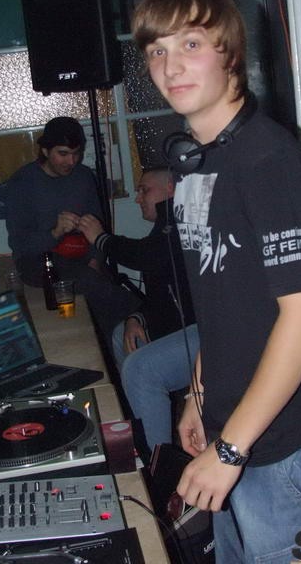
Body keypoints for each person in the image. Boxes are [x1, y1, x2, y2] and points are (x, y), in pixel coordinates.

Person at [132, 0, 301, 564]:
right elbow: (224, 304)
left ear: (229, 53)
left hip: (288, 444)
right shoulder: (198, 166)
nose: (170, 66)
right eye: (157, 50)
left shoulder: (270, 164)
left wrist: (229, 450)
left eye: (191, 44)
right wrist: (199, 396)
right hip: (236, 427)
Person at [0, 116, 140, 335]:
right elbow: (21, 245)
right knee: (93, 284)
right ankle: (141, 316)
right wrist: (55, 232)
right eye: (63, 153)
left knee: (100, 285)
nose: (71, 161)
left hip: (80, 254)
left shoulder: (83, 177)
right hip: (38, 261)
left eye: (76, 153)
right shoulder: (23, 184)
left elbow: (97, 227)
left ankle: (123, 339)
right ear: (45, 151)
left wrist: (95, 260)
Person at [77, 167, 198, 453]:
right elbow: (162, 294)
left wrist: (101, 239)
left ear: (170, 189)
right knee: (124, 333)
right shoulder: (165, 226)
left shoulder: (181, 219)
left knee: (141, 368)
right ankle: (143, 424)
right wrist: (138, 316)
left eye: (145, 190)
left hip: (207, 331)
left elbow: (147, 256)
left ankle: (158, 460)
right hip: (182, 326)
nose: (138, 198)